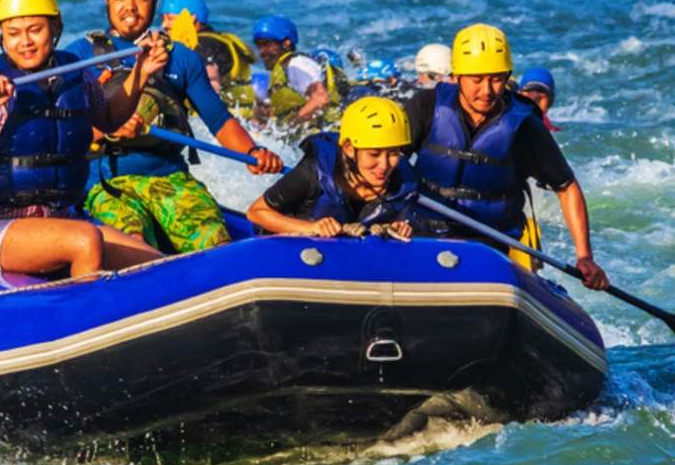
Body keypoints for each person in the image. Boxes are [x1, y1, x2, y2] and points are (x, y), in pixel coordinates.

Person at [62, 0, 283, 254]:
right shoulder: (79, 56)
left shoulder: (181, 57)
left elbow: (219, 120)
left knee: (215, 243)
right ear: (107, 0)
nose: (130, 7)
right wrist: (105, 128)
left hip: (170, 178)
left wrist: (253, 152)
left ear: (154, 1)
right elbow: (61, 130)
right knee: (133, 244)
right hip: (107, 182)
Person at [0, 0, 163, 277]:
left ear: (55, 28)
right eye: (13, 33)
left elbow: (109, 120)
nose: (25, 42)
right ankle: (83, 305)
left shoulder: (74, 70)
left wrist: (141, 73)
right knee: (85, 241)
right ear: (1, 35)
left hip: (62, 218)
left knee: (158, 266)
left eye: (35, 30)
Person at [405, 23, 608, 288]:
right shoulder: (426, 106)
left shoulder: (524, 126)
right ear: (457, 77)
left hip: (489, 242)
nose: (487, 90)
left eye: (496, 79)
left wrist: (585, 257)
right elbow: (384, 163)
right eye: (477, 80)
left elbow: (566, 187)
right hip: (420, 230)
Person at [247, 97, 417, 239]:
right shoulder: (314, 172)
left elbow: (406, 221)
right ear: (349, 149)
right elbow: (256, 212)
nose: (384, 165)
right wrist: (312, 227)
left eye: (393, 153)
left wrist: (401, 227)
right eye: (374, 154)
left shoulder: (404, 183)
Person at [158, 0, 258, 111]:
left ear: (192, 18)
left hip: (222, 118)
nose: (164, 25)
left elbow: (211, 86)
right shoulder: (217, 40)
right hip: (242, 114)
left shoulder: (204, 46)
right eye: (163, 19)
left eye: (170, 18)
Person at [252, 15, 344, 126]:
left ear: (286, 42)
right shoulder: (283, 71)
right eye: (259, 46)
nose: (261, 52)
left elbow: (321, 98)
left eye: (267, 44)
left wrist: (290, 125)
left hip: (325, 132)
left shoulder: (296, 65)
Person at [518, 66, 559, 131]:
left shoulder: (550, 130)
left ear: (550, 101)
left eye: (540, 97)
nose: (534, 97)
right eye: (529, 92)